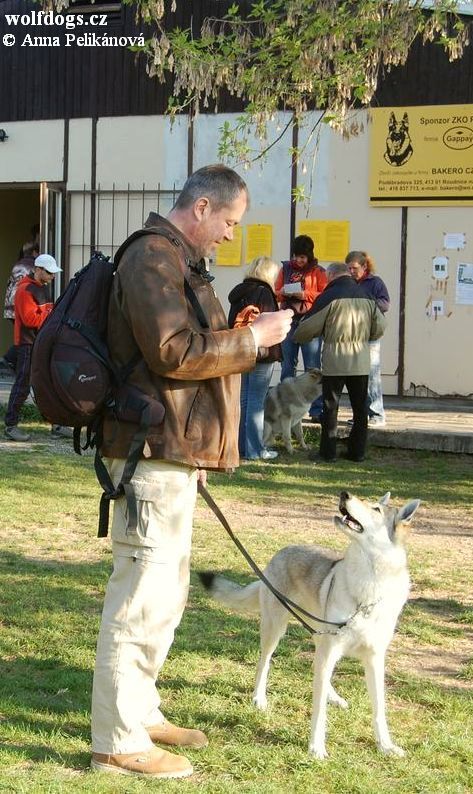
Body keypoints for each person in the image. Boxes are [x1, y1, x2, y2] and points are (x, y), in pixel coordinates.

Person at [90, 165, 293, 779]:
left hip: (170, 452)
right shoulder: (154, 258)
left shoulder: (174, 260)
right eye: (230, 221)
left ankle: (141, 712)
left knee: (166, 595)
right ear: (201, 207)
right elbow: (172, 351)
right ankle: (118, 741)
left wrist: (198, 454)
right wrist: (252, 339)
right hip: (149, 453)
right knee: (140, 597)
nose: (232, 234)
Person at [293, 261, 385, 462]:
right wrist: (364, 338)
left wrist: (297, 335)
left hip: (335, 361)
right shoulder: (366, 295)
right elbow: (380, 326)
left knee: (331, 407)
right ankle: (357, 452)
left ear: (332, 275)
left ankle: (327, 453)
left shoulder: (329, 296)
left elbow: (309, 326)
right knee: (360, 409)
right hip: (360, 360)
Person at [227, 256, 282, 461]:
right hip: (261, 353)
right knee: (256, 402)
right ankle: (255, 450)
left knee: (242, 401)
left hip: (241, 350)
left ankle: (240, 447)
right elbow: (267, 324)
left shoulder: (239, 291)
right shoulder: (264, 293)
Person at [4, 254, 61, 442]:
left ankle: (57, 423)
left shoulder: (41, 288)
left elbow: (43, 314)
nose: (53, 276)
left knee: (49, 383)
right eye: (50, 273)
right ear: (39, 270)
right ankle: (11, 426)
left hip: (40, 343)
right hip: (27, 344)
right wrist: (50, 315)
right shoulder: (25, 290)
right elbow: (30, 320)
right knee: (22, 385)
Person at [275, 235, 327, 421]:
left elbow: (324, 294)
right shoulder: (285, 269)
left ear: (310, 256)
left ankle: (316, 409)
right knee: (287, 365)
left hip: (310, 322)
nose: (298, 260)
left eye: (302, 257)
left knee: (312, 367)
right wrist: (284, 292)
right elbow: (277, 291)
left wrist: (304, 294)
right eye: (296, 256)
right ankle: (285, 407)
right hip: (289, 320)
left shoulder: (318, 271)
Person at [347, 250, 390, 427]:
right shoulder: (348, 283)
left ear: (365, 266)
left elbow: (385, 304)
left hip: (370, 335)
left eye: (354, 268)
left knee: (372, 375)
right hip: (352, 334)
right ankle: (360, 414)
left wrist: (366, 303)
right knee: (356, 377)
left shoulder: (375, 282)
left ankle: (377, 414)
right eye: (348, 268)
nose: (351, 271)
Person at [2, 239, 39, 370]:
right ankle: (9, 360)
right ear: (34, 252)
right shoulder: (31, 267)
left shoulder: (17, 265)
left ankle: (14, 363)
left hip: (10, 307)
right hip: (22, 307)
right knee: (28, 340)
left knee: (24, 339)